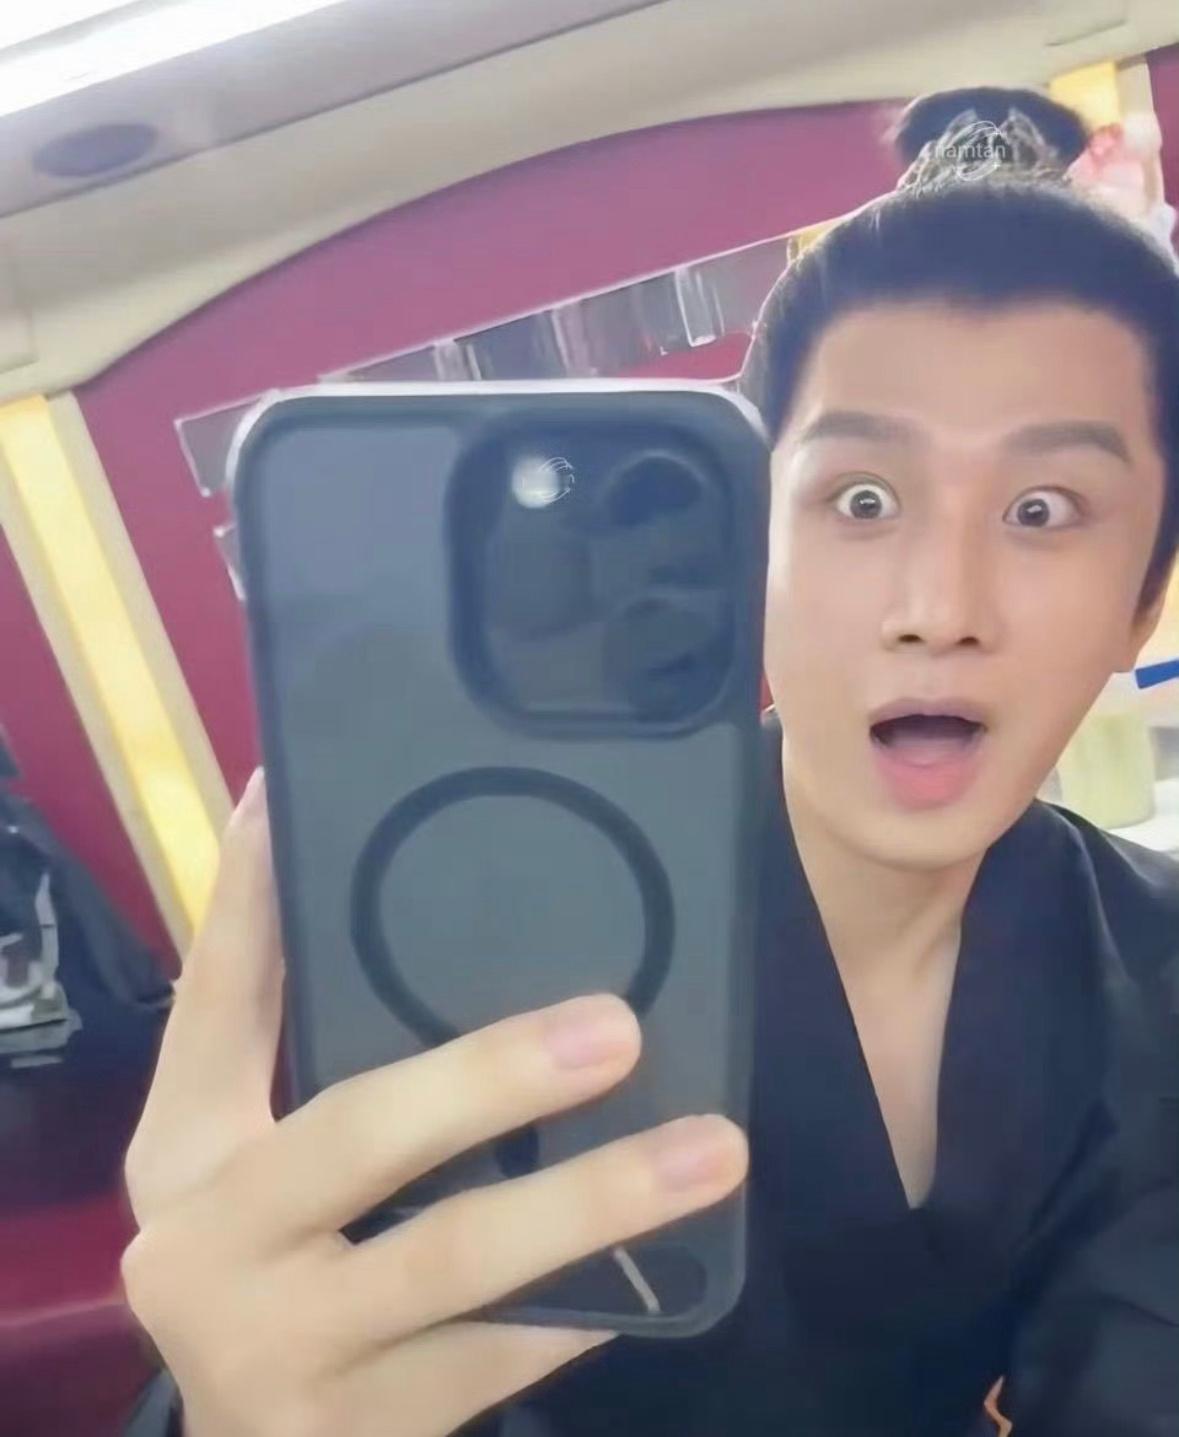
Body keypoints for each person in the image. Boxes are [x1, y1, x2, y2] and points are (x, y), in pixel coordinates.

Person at [120, 98, 1179, 1437]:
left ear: (1142, 606)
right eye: (860, 499)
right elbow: (336, 1342)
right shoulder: (502, 947)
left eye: (1044, 509)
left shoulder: (1158, 967)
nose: (939, 606)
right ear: (751, 549)